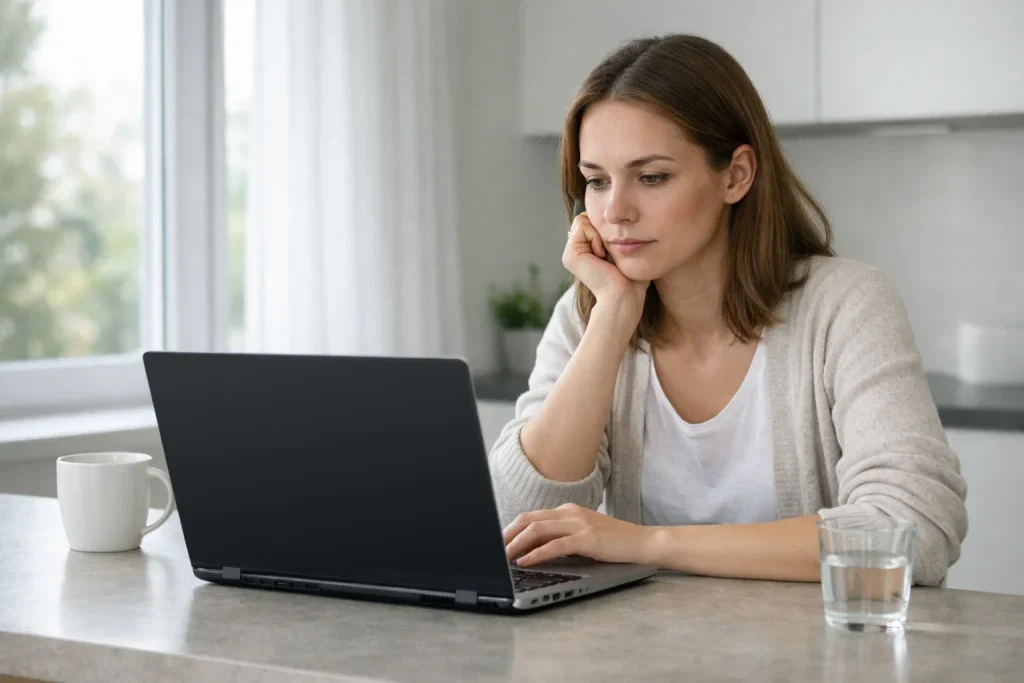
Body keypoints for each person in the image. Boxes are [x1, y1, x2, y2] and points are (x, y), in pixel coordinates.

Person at [488, 34, 967, 586]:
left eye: (651, 177)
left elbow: (914, 530)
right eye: (596, 181)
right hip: (643, 641)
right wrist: (611, 320)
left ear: (736, 175)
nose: (615, 210)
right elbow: (518, 524)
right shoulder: (588, 314)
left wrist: (650, 544)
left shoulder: (845, 305)